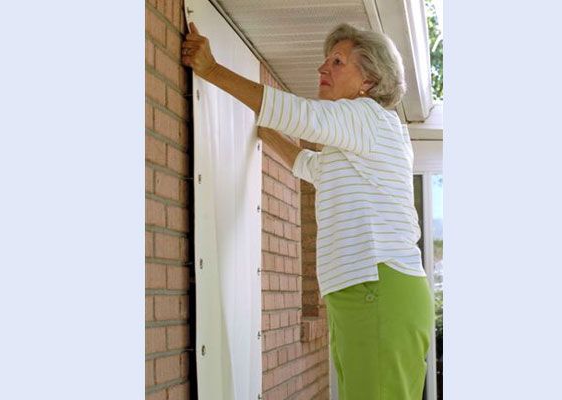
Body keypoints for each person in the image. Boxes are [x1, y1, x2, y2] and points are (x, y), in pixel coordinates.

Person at [182, 20, 434, 400]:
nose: (322, 68)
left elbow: (302, 115)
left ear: (368, 80)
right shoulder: (360, 140)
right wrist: (267, 134)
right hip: (365, 292)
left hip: (377, 288)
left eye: (337, 61)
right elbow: (312, 167)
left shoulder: (366, 117)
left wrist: (211, 69)